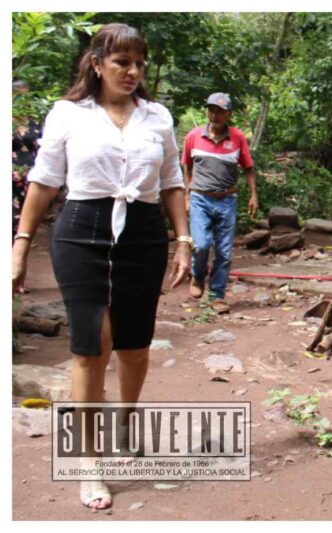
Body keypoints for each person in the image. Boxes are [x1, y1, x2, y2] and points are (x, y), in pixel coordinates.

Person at [11, 23, 191, 510]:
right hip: (81, 231)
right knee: (91, 346)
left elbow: (173, 182)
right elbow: (45, 182)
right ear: (96, 64)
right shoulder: (69, 113)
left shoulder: (157, 117)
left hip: (143, 234)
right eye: (121, 63)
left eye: (138, 64)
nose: (132, 72)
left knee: (134, 345)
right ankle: (89, 461)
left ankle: (126, 421)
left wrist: (184, 242)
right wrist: (21, 245)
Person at [181, 92, 258, 314]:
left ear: (228, 114)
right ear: (207, 111)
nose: (215, 115)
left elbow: (248, 168)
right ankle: (197, 276)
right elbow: (187, 166)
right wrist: (187, 195)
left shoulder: (237, 138)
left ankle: (217, 294)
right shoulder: (193, 136)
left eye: (220, 111)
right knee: (201, 244)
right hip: (200, 198)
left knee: (224, 251)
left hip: (227, 199)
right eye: (212, 110)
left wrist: (253, 195)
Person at [12, 80, 42, 240]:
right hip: (11, 177)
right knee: (13, 220)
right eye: (18, 96)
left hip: (31, 178)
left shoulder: (35, 121)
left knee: (26, 221)